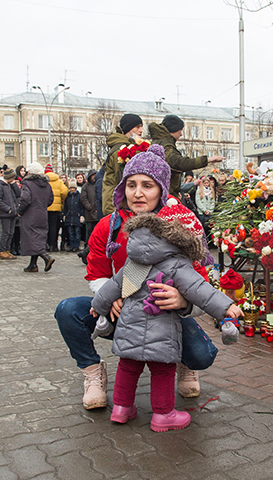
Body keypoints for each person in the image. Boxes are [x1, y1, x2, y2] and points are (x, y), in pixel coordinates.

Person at [54, 144, 218, 411]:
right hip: (122, 312)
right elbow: (96, 274)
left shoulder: (180, 226)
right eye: (131, 185)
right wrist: (110, 295)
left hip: (166, 317)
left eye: (147, 185)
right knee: (68, 310)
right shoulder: (108, 227)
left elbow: (202, 283)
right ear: (123, 188)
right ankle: (93, 371)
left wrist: (184, 301)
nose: (138, 193)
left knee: (201, 355)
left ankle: (184, 363)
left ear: (162, 190)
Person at [90, 209, 241, 431]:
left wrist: (97, 307)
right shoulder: (176, 264)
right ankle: (163, 415)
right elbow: (200, 289)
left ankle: (121, 409)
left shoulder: (132, 263)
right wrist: (226, 306)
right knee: (162, 371)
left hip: (129, 328)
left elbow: (111, 288)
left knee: (128, 367)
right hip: (161, 331)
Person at [148, 114, 225, 197]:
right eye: (180, 130)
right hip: (164, 195)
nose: (181, 134)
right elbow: (179, 163)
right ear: (173, 129)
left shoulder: (161, 142)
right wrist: (208, 159)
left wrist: (176, 190)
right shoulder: (166, 145)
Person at [102, 113, 145, 216]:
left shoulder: (129, 146)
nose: (141, 130)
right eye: (137, 127)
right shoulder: (120, 150)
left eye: (141, 127)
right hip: (115, 204)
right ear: (128, 129)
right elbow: (121, 178)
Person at [19, 162, 55, 272]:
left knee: (31, 238)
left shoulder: (28, 183)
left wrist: (20, 210)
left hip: (30, 214)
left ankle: (45, 256)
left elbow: (25, 199)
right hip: (42, 214)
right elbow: (50, 200)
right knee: (38, 238)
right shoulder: (47, 184)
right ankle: (33, 264)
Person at [0, 168, 21, 260]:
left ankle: (7, 250)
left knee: (10, 233)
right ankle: (2, 251)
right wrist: (8, 209)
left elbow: (18, 194)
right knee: (5, 232)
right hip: (6, 213)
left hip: (13, 212)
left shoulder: (9, 185)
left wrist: (14, 184)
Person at [45, 165, 68, 251]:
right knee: (54, 227)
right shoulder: (59, 181)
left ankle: (46, 245)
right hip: (56, 208)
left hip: (46, 207)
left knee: (46, 226)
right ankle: (53, 245)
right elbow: (64, 192)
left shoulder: (44, 181)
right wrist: (61, 202)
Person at [63, 179, 83, 252]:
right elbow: (65, 207)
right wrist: (65, 215)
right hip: (69, 217)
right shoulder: (67, 197)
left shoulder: (79, 196)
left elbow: (81, 207)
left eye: (73, 188)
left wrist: (81, 215)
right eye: (70, 188)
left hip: (76, 217)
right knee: (70, 233)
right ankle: (72, 245)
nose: (72, 189)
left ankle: (76, 246)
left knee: (77, 233)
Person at [80, 169, 98, 245]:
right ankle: (88, 245)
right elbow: (83, 198)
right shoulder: (85, 186)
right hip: (89, 212)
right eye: (92, 175)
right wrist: (89, 207)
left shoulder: (98, 184)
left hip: (97, 211)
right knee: (89, 230)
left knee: (97, 231)